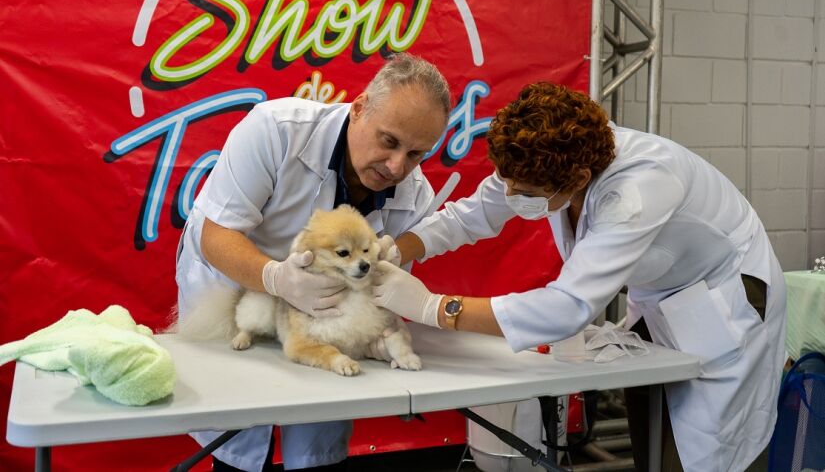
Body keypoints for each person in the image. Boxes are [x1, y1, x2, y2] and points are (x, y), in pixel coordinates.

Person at [373, 82, 786, 472]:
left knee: (704, 450)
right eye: (507, 182)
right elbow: (473, 215)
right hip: (660, 297)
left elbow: (568, 307)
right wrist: (398, 247)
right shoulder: (539, 159)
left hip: (725, 298)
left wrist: (435, 307)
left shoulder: (639, 188)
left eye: (527, 192)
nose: (512, 196)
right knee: (652, 436)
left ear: (580, 181)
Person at [175, 53, 450, 472]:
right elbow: (217, 237)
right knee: (239, 444)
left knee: (318, 445)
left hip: (323, 326)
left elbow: (375, 300)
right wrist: (274, 279)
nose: (398, 167)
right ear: (359, 108)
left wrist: (382, 329)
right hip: (237, 296)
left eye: (416, 154)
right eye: (389, 142)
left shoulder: (415, 195)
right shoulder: (274, 130)